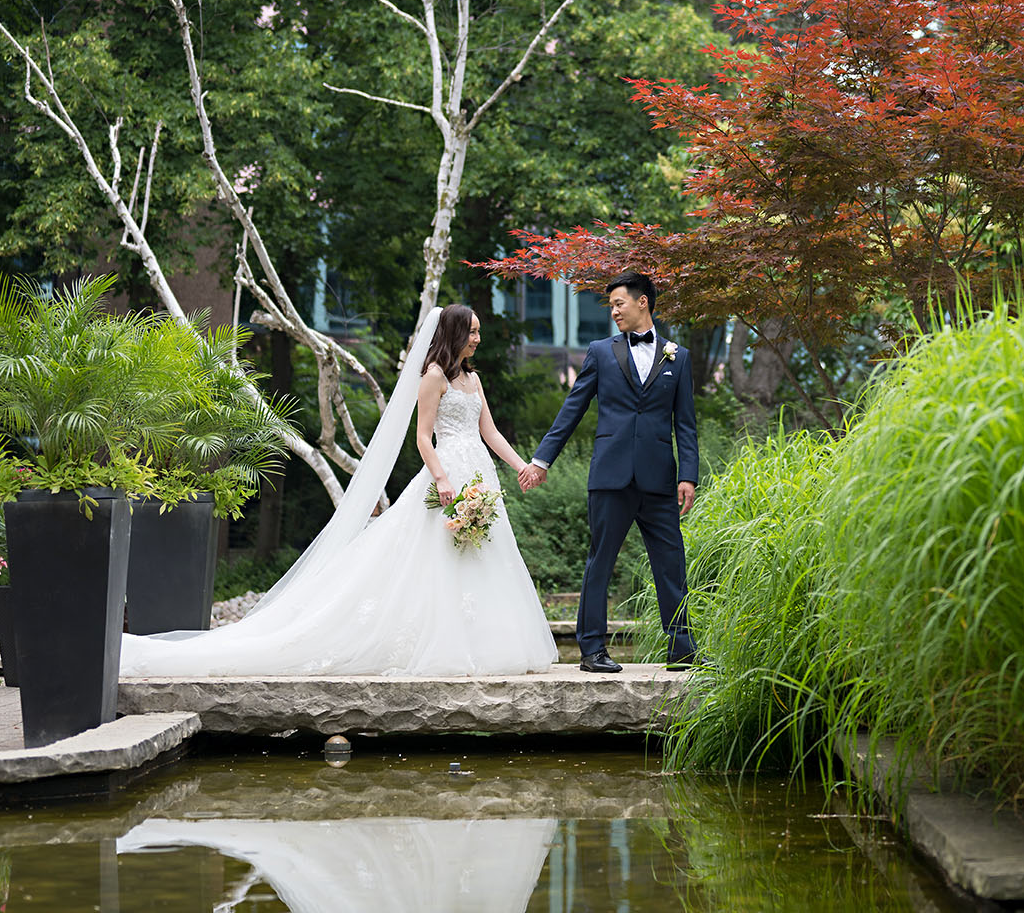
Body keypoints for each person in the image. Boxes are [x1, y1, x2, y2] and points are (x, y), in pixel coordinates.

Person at [119, 305, 556, 677]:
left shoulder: (472, 380)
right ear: (456, 333)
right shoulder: (434, 376)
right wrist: (441, 477)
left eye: (478, 331)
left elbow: (490, 432)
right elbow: (423, 437)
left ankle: (485, 642)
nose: (478, 338)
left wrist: (523, 466)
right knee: (436, 557)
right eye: (473, 331)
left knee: (480, 555)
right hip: (446, 476)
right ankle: (437, 644)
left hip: (478, 475)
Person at [520, 272, 697, 673]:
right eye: (612, 305)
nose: (614, 311)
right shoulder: (600, 351)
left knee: (672, 562)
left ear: (643, 303)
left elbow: (685, 423)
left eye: (619, 303)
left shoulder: (677, 356)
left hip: (659, 479)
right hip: (610, 475)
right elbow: (573, 408)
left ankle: (681, 648)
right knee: (600, 561)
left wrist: (688, 474)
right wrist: (541, 460)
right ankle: (593, 650)